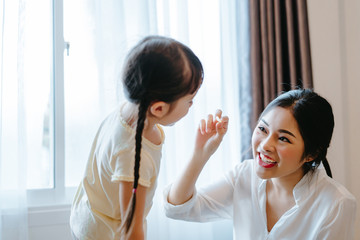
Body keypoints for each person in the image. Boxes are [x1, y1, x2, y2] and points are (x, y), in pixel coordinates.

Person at [164, 89, 357, 240]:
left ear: (312, 154)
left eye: (283, 138)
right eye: (263, 129)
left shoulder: (336, 204)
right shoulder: (244, 176)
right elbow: (178, 208)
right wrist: (200, 154)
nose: (265, 146)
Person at [69, 35, 206, 240]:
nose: (192, 105)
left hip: (88, 215)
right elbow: (132, 230)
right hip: (105, 233)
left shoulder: (128, 110)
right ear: (159, 108)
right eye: (189, 100)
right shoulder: (133, 155)